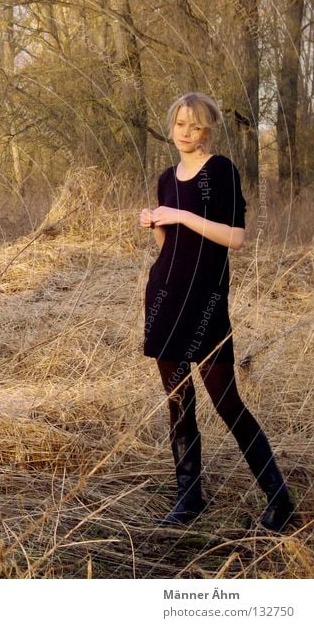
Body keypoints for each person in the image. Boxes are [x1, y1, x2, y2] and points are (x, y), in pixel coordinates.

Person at [139, 92, 295, 532]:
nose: (186, 133)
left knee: (227, 402)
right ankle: (189, 499)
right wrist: (157, 222)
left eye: (196, 126)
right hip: (164, 297)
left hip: (206, 301)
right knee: (178, 403)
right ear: (171, 127)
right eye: (180, 125)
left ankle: (280, 499)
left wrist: (179, 213)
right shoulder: (166, 177)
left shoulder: (221, 170)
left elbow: (235, 238)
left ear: (208, 130)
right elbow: (169, 247)